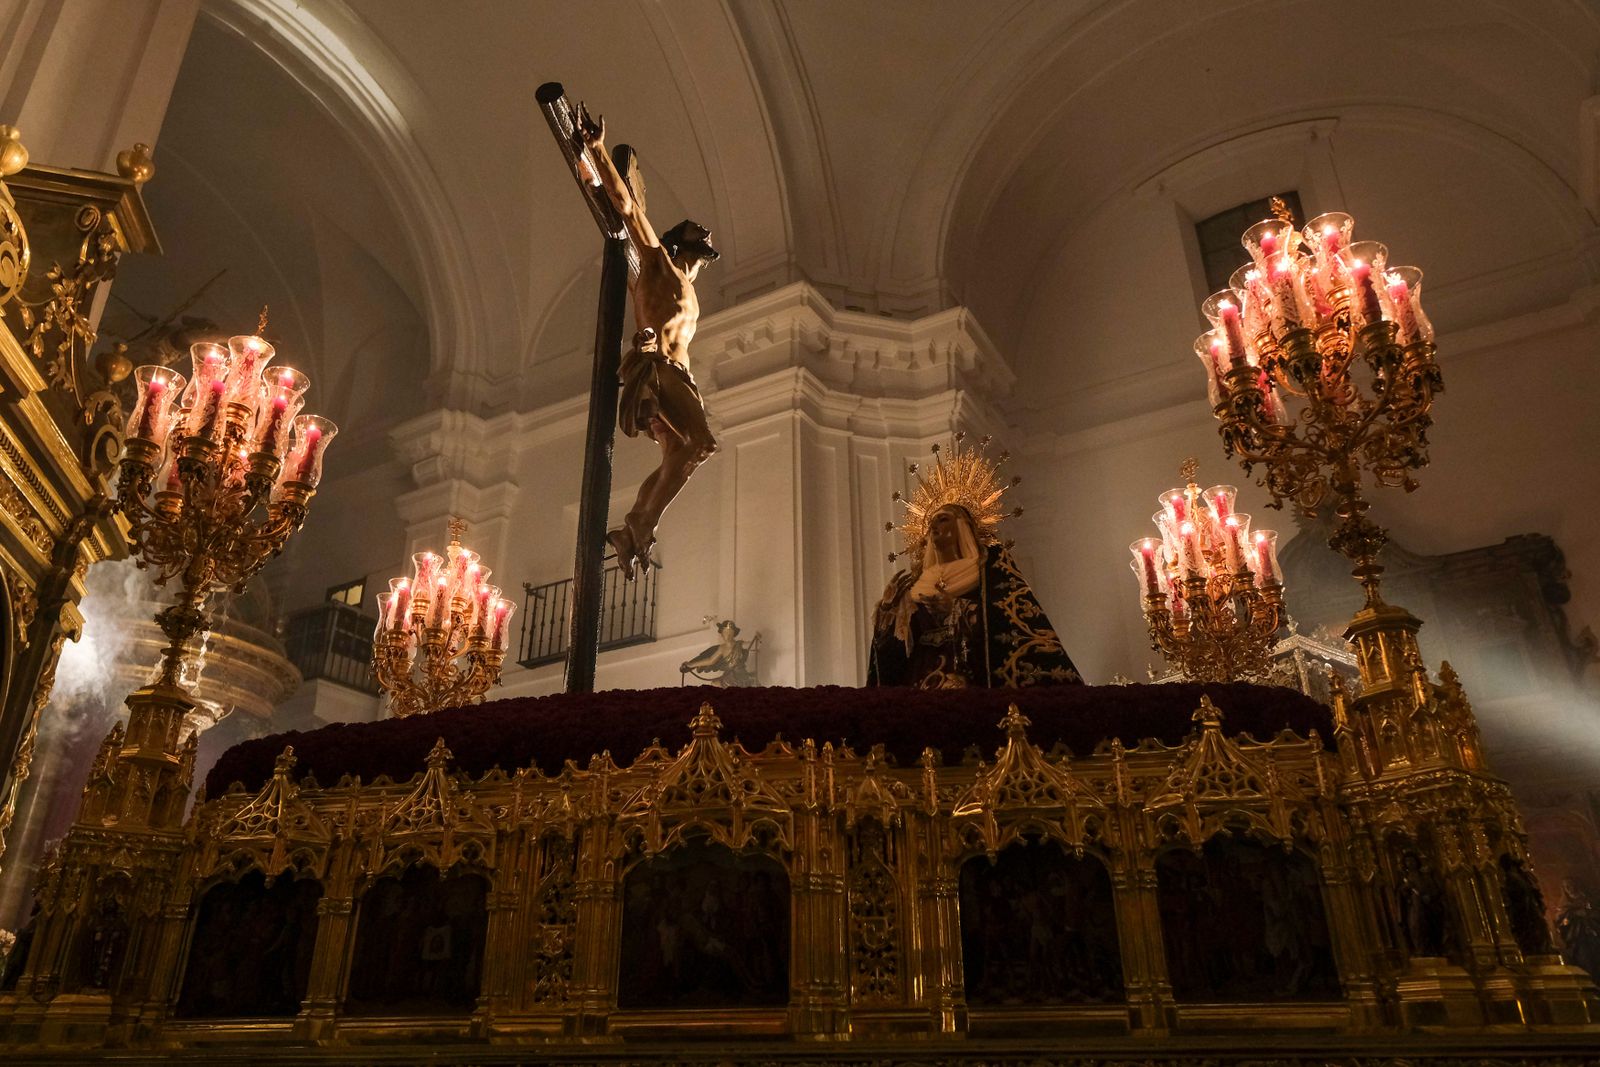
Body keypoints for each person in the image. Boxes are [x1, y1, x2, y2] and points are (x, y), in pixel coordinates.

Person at [574, 104, 720, 580]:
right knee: (699, 444)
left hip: (680, 377)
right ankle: (639, 521)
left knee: (685, 453)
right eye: (701, 236)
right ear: (680, 244)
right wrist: (596, 150)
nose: (709, 238)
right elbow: (628, 208)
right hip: (656, 369)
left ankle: (633, 529)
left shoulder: (688, 287)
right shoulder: (656, 262)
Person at [868, 502, 1081, 688]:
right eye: (931, 522)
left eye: (943, 520)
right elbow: (895, 655)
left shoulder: (988, 571)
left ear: (962, 527)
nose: (934, 526)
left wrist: (958, 610)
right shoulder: (915, 586)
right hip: (919, 681)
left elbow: (1008, 623)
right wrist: (888, 615)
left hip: (970, 676)